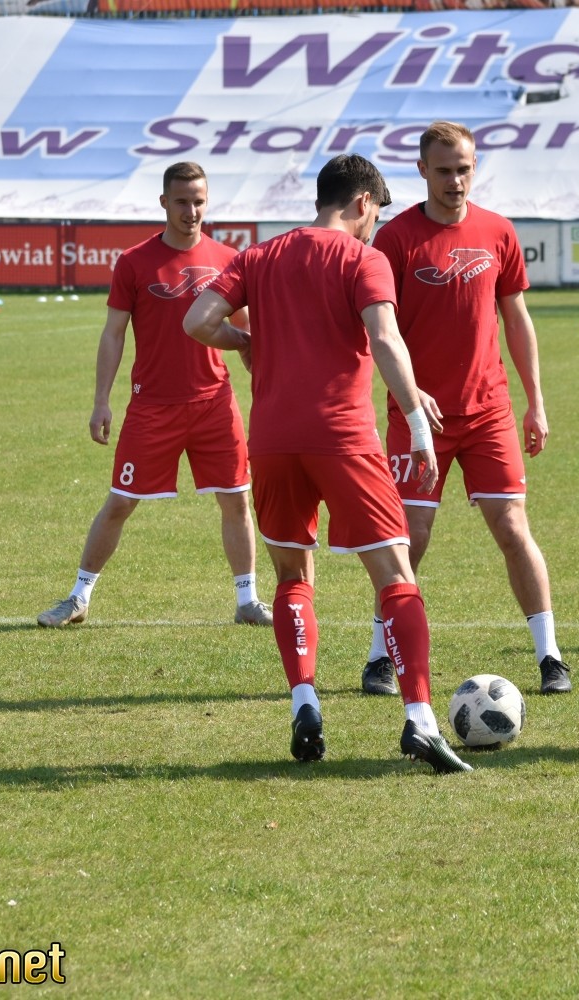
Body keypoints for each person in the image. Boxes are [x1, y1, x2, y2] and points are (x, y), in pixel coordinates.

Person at [184, 153, 471, 774]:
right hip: (343, 438)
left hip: (272, 440)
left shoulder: (259, 256)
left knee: (292, 575)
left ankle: (305, 703)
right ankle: (420, 720)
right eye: (377, 214)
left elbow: (197, 320)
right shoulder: (364, 259)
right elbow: (386, 338)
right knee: (395, 575)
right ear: (363, 202)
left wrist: (245, 341)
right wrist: (418, 421)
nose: (375, 226)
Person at [360, 120, 570, 698]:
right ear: (422, 171)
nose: (455, 181)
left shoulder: (498, 231)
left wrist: (535, 402)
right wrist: (409, 393)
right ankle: (380, 657)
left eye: (464, 169)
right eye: (444, 170)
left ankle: (550, 656)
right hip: (417, 416)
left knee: (512, 527)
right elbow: (378, 329)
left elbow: (517, 320)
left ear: (475, 169)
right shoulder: (397, 239)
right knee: (410, 535)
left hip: (488, 413)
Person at [37, 162, 271, 630]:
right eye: (182, 201)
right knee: (120, 502)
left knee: (236, 500)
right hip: (152, 407)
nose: (191, 211)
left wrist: (267, 382)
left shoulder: (229, 259)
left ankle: (247, 600)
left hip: (214, 404)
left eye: (199, 201)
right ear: (164, 202)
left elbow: (248, 333)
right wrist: (101, 400)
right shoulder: (134, 261)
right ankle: (79, 596)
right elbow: (113, 334)